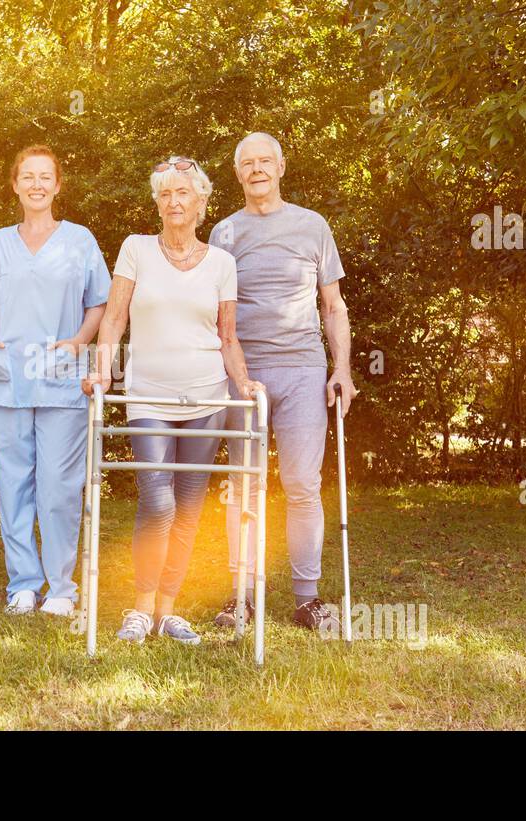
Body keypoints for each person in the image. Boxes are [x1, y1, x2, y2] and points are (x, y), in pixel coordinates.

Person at [84, 157, 263, 646]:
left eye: (183, 193)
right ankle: (140, 609)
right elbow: (115, 318)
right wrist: (102, 368)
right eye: (165, 194)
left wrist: (243, 385)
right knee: (157, 499)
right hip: (149, 396)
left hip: (207, 398)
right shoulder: (136, 250)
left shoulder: (222, 263)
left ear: (202, 203)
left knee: (187, 508)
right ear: (158, 203)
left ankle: (167, 610)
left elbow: (228, 337)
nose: (174, 201)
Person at [207, 132, 358, 633]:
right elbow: (216, 313)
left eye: (265, 161)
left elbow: (333, 306)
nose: (256, 170)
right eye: (247, 164)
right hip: (244, 374)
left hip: (303, 369)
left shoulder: (313, 226)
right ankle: (242, 597)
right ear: (237, 174)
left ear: (281, 167)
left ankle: (306, 599)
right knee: (242, 487)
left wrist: (343, 369)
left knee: (301, 485)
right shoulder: (224, 233)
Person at [0, 145, 110, 617]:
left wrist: (78, 341)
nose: (36, 184)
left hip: (60, 379)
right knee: (13, 485)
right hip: (6, 379)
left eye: (45, 176)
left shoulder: (80, 241)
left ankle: (61, 589)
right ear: (15, 184)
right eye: (27, 176)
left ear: (57, 185)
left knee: (58, 486)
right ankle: (24, 584)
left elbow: (100, 303)